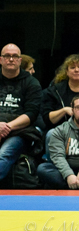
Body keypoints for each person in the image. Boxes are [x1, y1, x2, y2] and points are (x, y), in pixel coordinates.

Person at [0, 44, 42, 183]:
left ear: (20, 60)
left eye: (15, 56)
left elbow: (31, 113)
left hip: (20, 132)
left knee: (4, 154)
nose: (11, 59)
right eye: (7, 56)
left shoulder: (31, 83)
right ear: (1, 59)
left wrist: (6, 127)